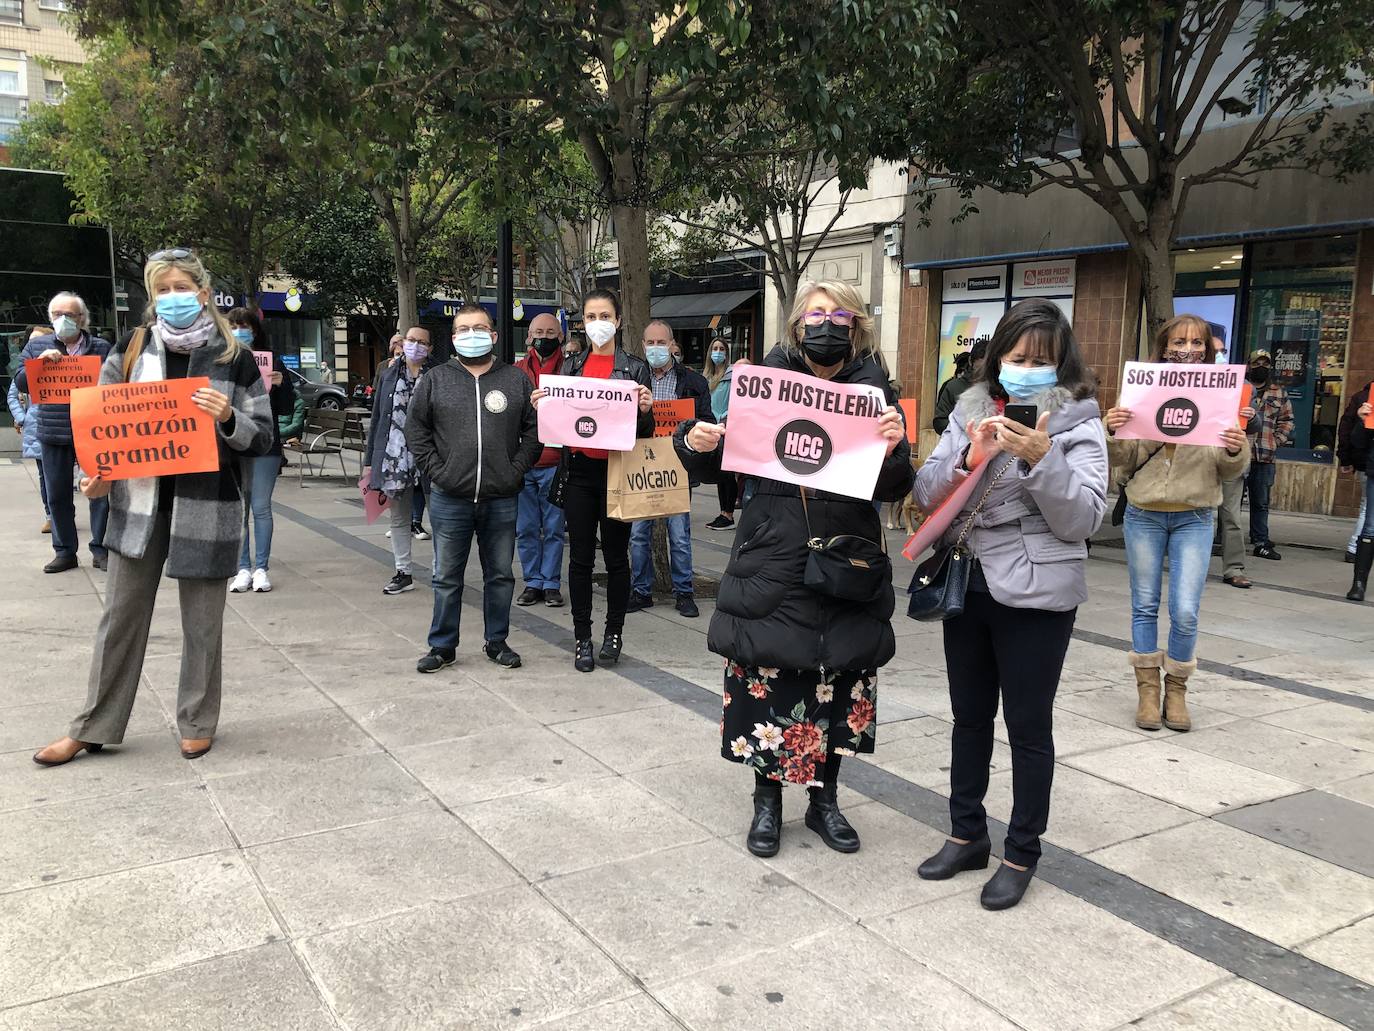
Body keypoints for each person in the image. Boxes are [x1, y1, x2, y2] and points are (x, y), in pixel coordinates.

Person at [673, 279, 909, 860]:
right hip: (773, 555)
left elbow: (897, 485)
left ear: (857, 324)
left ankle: (825, 799)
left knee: (838, 678)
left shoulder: (878, 393)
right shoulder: (763, 385)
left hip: (846, 559)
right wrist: (694, 439)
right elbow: (715, 460)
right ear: (797, 322)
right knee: (770, 681)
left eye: (839, 314)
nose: (825, 323)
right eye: (815, 313)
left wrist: (894, 448)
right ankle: (767, 801)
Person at [32, 248, 273, 767]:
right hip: (138, 506)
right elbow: (100, 425)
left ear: (203, 294)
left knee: (203, 625)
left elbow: (261, 438)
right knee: (119, 617)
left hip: (207, 507)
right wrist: (94, 475)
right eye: (162, 289)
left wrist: (229, 416)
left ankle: (197, 721)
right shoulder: (132, 346)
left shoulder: (234, 357)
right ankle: (92, 725)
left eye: (181, 288)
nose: (172, 298)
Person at [912, 299, 1107, 911]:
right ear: (997, 358)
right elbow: (924, 492)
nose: (1026, 369)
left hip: (1038, 591)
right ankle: (966, 831)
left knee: (1027, 726)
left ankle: (1022, 850)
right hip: (966, 579)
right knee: (968, 717)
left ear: (1060, 365)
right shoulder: (969, 411)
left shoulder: (1078, 423)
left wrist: (1041, 460)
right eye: (1017, 357)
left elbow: (1083, 519)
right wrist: (968, 457)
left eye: (1040, 360)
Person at [1106, 315, 1248, 736]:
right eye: (1178, 341)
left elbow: (1228, 469)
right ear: (1163, 346)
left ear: (1209, 349)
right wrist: (1114, 431)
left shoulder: (1221, 396)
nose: (1187, 348)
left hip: (1196, 514)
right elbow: (1124, 460)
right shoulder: (1142, 388)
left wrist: (1236, 448)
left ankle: (1177, 690)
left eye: (1196, 342)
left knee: (1185, 610)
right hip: (1145, 512)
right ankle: (1147, 691)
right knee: (1144, 604)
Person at [408, 304, 542, 672]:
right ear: (453, 338)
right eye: (463, 329)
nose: (472, 335)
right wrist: (438, 472)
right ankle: (442, 646)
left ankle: (497, 641)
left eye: (479, 328)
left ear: (494, 335)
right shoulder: (435, 379)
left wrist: (515, 471)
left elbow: (535, 432)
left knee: (500, 574)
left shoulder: (515, 380)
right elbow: (416, 431)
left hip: (501, 495)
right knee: (446, 576)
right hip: (451, 496)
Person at [530, 288, 654, 673]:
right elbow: (559, 425)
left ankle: (613, 632)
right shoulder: (570, 367)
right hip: (580, 473)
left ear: (618, 321)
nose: (598, 323)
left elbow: (644, 431)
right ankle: (581, 636)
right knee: (581, 558)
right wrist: (543, 406)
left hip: (617, 473)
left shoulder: (634, 368)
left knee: (618, 558)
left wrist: (647, 410)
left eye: (605, 316)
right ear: (582, 323)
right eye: (590, 317)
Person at [13, 294, 113, 572]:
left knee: (99, 493)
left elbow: (115, 383)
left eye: (70, 315)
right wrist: (39, 364)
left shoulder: (101, 347)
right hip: (53, 431)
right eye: (57, 314)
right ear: (50, 318)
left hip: (94, 431)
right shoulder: (37, 346)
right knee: (57, 496)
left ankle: (101, 549)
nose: (64, 320)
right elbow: (21, 383)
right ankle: (65, 551)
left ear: (83, 319)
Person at [627, 319, 711, 618]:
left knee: (679, 534)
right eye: (650, 343)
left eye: (662, 343)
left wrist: (689, 431)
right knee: (639, 534)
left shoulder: (693, 382)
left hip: (677, 464)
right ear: (642, 345)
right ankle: (640, 591)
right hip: (643, 464)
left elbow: (706, 420)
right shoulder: (632, 379)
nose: (656, 348)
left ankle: (684, 592)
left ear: (673, 345)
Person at [226, 308, 296, 594]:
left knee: (261, 507)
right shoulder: (222, 361)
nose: (240, 331)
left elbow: (287, 408)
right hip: (233, 444)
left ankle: (261, 569)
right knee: (239, 508)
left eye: (245, 326)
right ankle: (242, 567)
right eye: (234, 326)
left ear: (255, 330)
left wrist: (280, 386)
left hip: (265, 444)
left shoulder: (271, 361)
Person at [365, 327, 430, 595]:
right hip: (395, 459)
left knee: (440, 517)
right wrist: (370, 460)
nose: (415, 346)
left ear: (430, 348)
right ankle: (403, 572)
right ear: (402, 343)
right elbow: (378, 418)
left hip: (429, 458)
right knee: (400, 519)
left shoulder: (437, 375)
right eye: (411, 340)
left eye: (422, 342)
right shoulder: (389, 374)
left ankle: (442, 572)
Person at [514, 313, 568, 608]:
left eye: (550, 332)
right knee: (525, 529)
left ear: (560, 337)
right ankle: (532, 581)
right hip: (524, 463)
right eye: (538, 332)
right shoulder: (516, 371)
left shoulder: (572, 370)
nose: (544, 337)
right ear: (528, 337)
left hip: (556, 463)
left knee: (554, 528)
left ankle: (551, 583)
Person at [1244, 349, 1293, 561]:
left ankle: (1261, 542)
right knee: (1231, 502)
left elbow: (1287, 421)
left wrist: (1276, 442)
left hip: (1265, 455)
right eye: (1256, 363)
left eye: (1265, 363)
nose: (1260, 367)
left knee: (1261, 502)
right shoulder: (1240, 389)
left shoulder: (1279, 393)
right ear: (1249, 365)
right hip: (1239, 454)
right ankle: (1225, 540)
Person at [8, 326, 54, 533]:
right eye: (31, 341)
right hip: (36, 428)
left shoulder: (64, 366)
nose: (34, 345)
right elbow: (12, 396)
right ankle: (51, 516)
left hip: (62, 427)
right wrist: (23, 418)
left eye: (39, 341)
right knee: (45, 476)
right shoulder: (25, 372)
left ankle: (62, 513)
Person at [1217, 396, 1261, 589]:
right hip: (1198, 461)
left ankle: (1234, 569)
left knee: (1231, 517)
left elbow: (1255, 424)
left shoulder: (1239, 383)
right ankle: (1192, 566)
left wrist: (1251, 417)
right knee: (1201, 517)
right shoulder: (1190, 377)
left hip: (1231, 459)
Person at [1341, 391, 1374, 600]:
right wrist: (1362, 421)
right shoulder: (1367, 397)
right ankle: (1359, 584)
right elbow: (1358, 442)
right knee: (1370, 527)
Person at [704, 337, 739, 531]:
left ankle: (729, 514)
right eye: (714, 348)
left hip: (726, 426)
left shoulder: (732, 375)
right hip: (711, 426)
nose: (718, 352)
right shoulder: (708, 375)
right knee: (718, 471)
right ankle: (722, 512)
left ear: (727, 352)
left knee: (727, 473)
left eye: (721, 349)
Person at [1337, 379, 1372, 563]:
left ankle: (1356, 547)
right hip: (1367, 460)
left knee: (1367, 506)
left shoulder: (1361, 397)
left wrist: (1345, 458)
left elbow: (1345, 428)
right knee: (1367, 507)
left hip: (1363, 460)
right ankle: (1355, 546)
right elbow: (1348, 429)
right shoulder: (1363, 398)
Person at [932, 338, 987, 434]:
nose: (982, 373)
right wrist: (964, 428)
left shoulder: (999, 388)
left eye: (987, 368)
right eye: (978, 368)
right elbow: (939, 422)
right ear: (971, 362)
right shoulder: (953, 387)